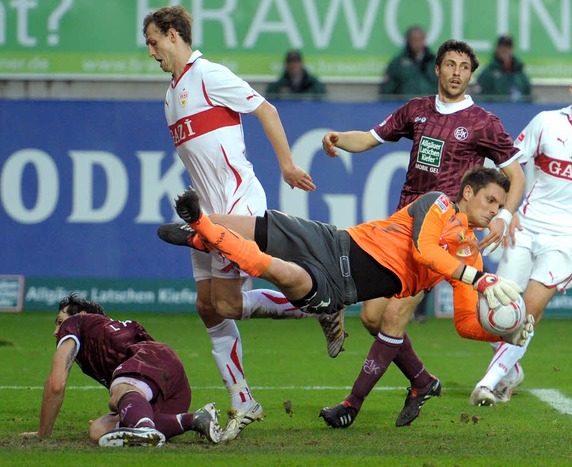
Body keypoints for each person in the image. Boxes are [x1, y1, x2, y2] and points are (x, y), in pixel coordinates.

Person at [158, 167, 535, 427]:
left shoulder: (469, 254)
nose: (494, 212)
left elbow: (466, 322)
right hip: (331, 239)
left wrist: (503, 333)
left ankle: (199, 228)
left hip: (337, 287)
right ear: (468, 193)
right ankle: (202, 230)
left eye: (500, 207)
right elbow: (424, 247)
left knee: (277, 270)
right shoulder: (437, 203)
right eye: (490, 201)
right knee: (246, 226)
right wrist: (479, 278)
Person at [142, 5, 344, 442]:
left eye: (154, 41)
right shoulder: (169, 95)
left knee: (230, 305)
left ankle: (320, 303)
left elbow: (266, 109)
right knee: (206, 305)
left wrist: (288, 166)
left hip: (236, 204)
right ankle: (243, 399)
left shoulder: (209, 74)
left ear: (174, 35)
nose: (152, 51)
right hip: (205, 214)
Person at [320, 39, 526, 425]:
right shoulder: (416, 110)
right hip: (404, 227)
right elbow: (370, 137)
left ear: (471, 74)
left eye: (464, 67)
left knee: (395, 314)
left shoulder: (484, 122)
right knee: (372, 317)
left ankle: (351, 406)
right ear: (437, 68)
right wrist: (337, 139)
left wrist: (503, 215)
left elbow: (516, 174)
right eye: (450, 64)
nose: (456, 73)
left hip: (443, 234)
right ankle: (422, 379)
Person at [469, 62, 572, 406]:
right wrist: (505, 213)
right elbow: (510, 169)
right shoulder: (546, 123)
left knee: (528, 309)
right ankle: (511, 370)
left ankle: (488, 382)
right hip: (526, 227)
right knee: (497, 311)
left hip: (569, 238)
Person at [21, 293, 223, 447]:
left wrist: (42, 434)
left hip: (146, 363)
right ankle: (193, 419)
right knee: (98, 430)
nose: (56, 332)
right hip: (171, 383)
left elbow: (56, 385)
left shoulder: (76, 323)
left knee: (118, 395)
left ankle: (143, 429)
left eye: (59, 322)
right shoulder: (107, 336)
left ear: (81, 316)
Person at [380, 25, 438, 99]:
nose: (417, 43)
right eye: (414, 40)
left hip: (430, 106)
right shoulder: (398, 63)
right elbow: (387, 91)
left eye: (419, 40)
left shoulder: (434, 62)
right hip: (405, 105)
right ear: (408, 41)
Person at [476, 34, 531, 102]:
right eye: (502, 47)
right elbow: (482, 98)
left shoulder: (520, 74)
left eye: (508, 47)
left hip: (519, 110)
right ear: (497, 49)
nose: (505, 50)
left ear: (512, 49)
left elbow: (528, 97)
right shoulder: (488, 73)